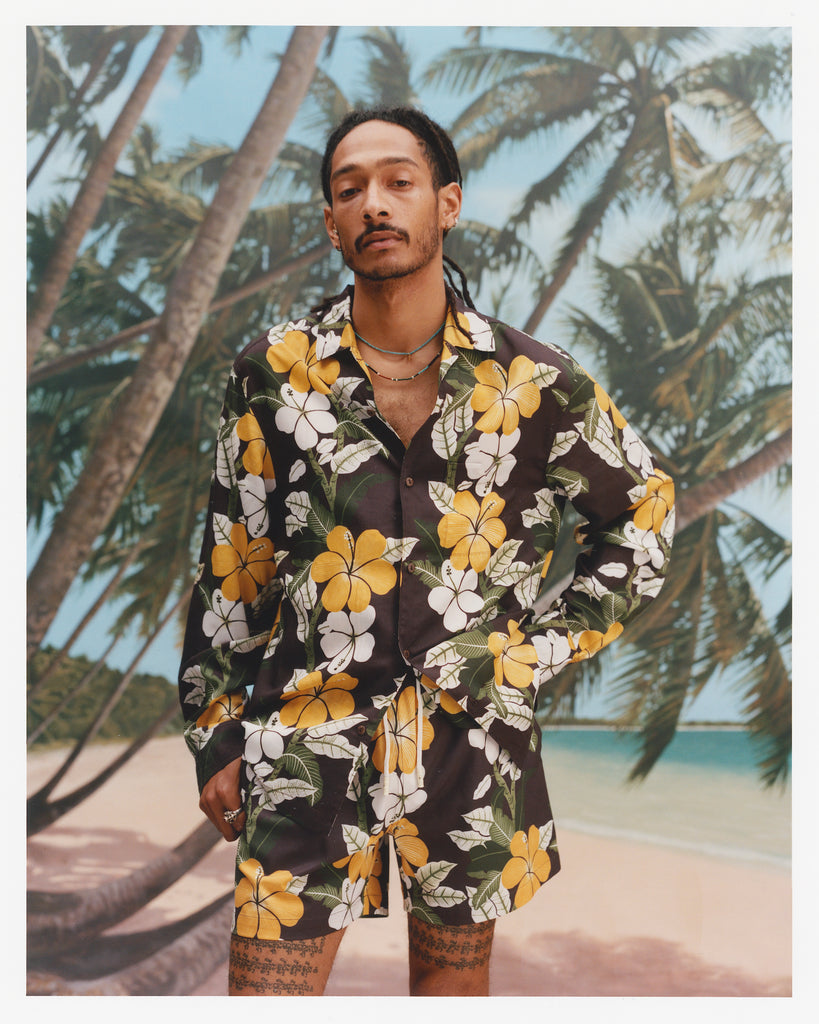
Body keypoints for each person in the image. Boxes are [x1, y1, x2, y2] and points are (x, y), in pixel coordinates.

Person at [178, 105, 675, 997]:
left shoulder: (534, 383)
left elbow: (642, 519)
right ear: (331, 223)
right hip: (305, 743)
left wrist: (533, 652)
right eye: (349, 188)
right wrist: (214, 734)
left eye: (398, 182)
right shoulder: (272, 374)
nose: (374, 203)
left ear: (446, 204)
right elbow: (233, 559)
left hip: (471, 747)